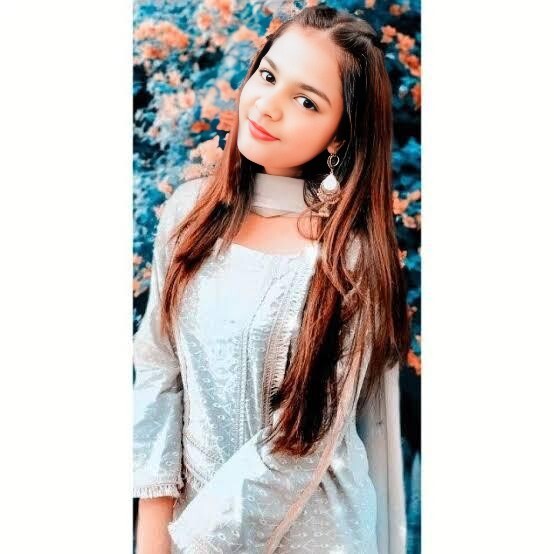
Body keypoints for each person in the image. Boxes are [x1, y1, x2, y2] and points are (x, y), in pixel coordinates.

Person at [133, 5, 411, 553]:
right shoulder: (189, 215)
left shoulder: (348, 257)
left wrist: (195, 543)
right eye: (268, 75)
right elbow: (159, 373)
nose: (269, 105)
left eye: (307, 101)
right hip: (186, 529)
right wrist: (153, 539)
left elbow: (305, 436)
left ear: (339, 135)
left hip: (313, 534)